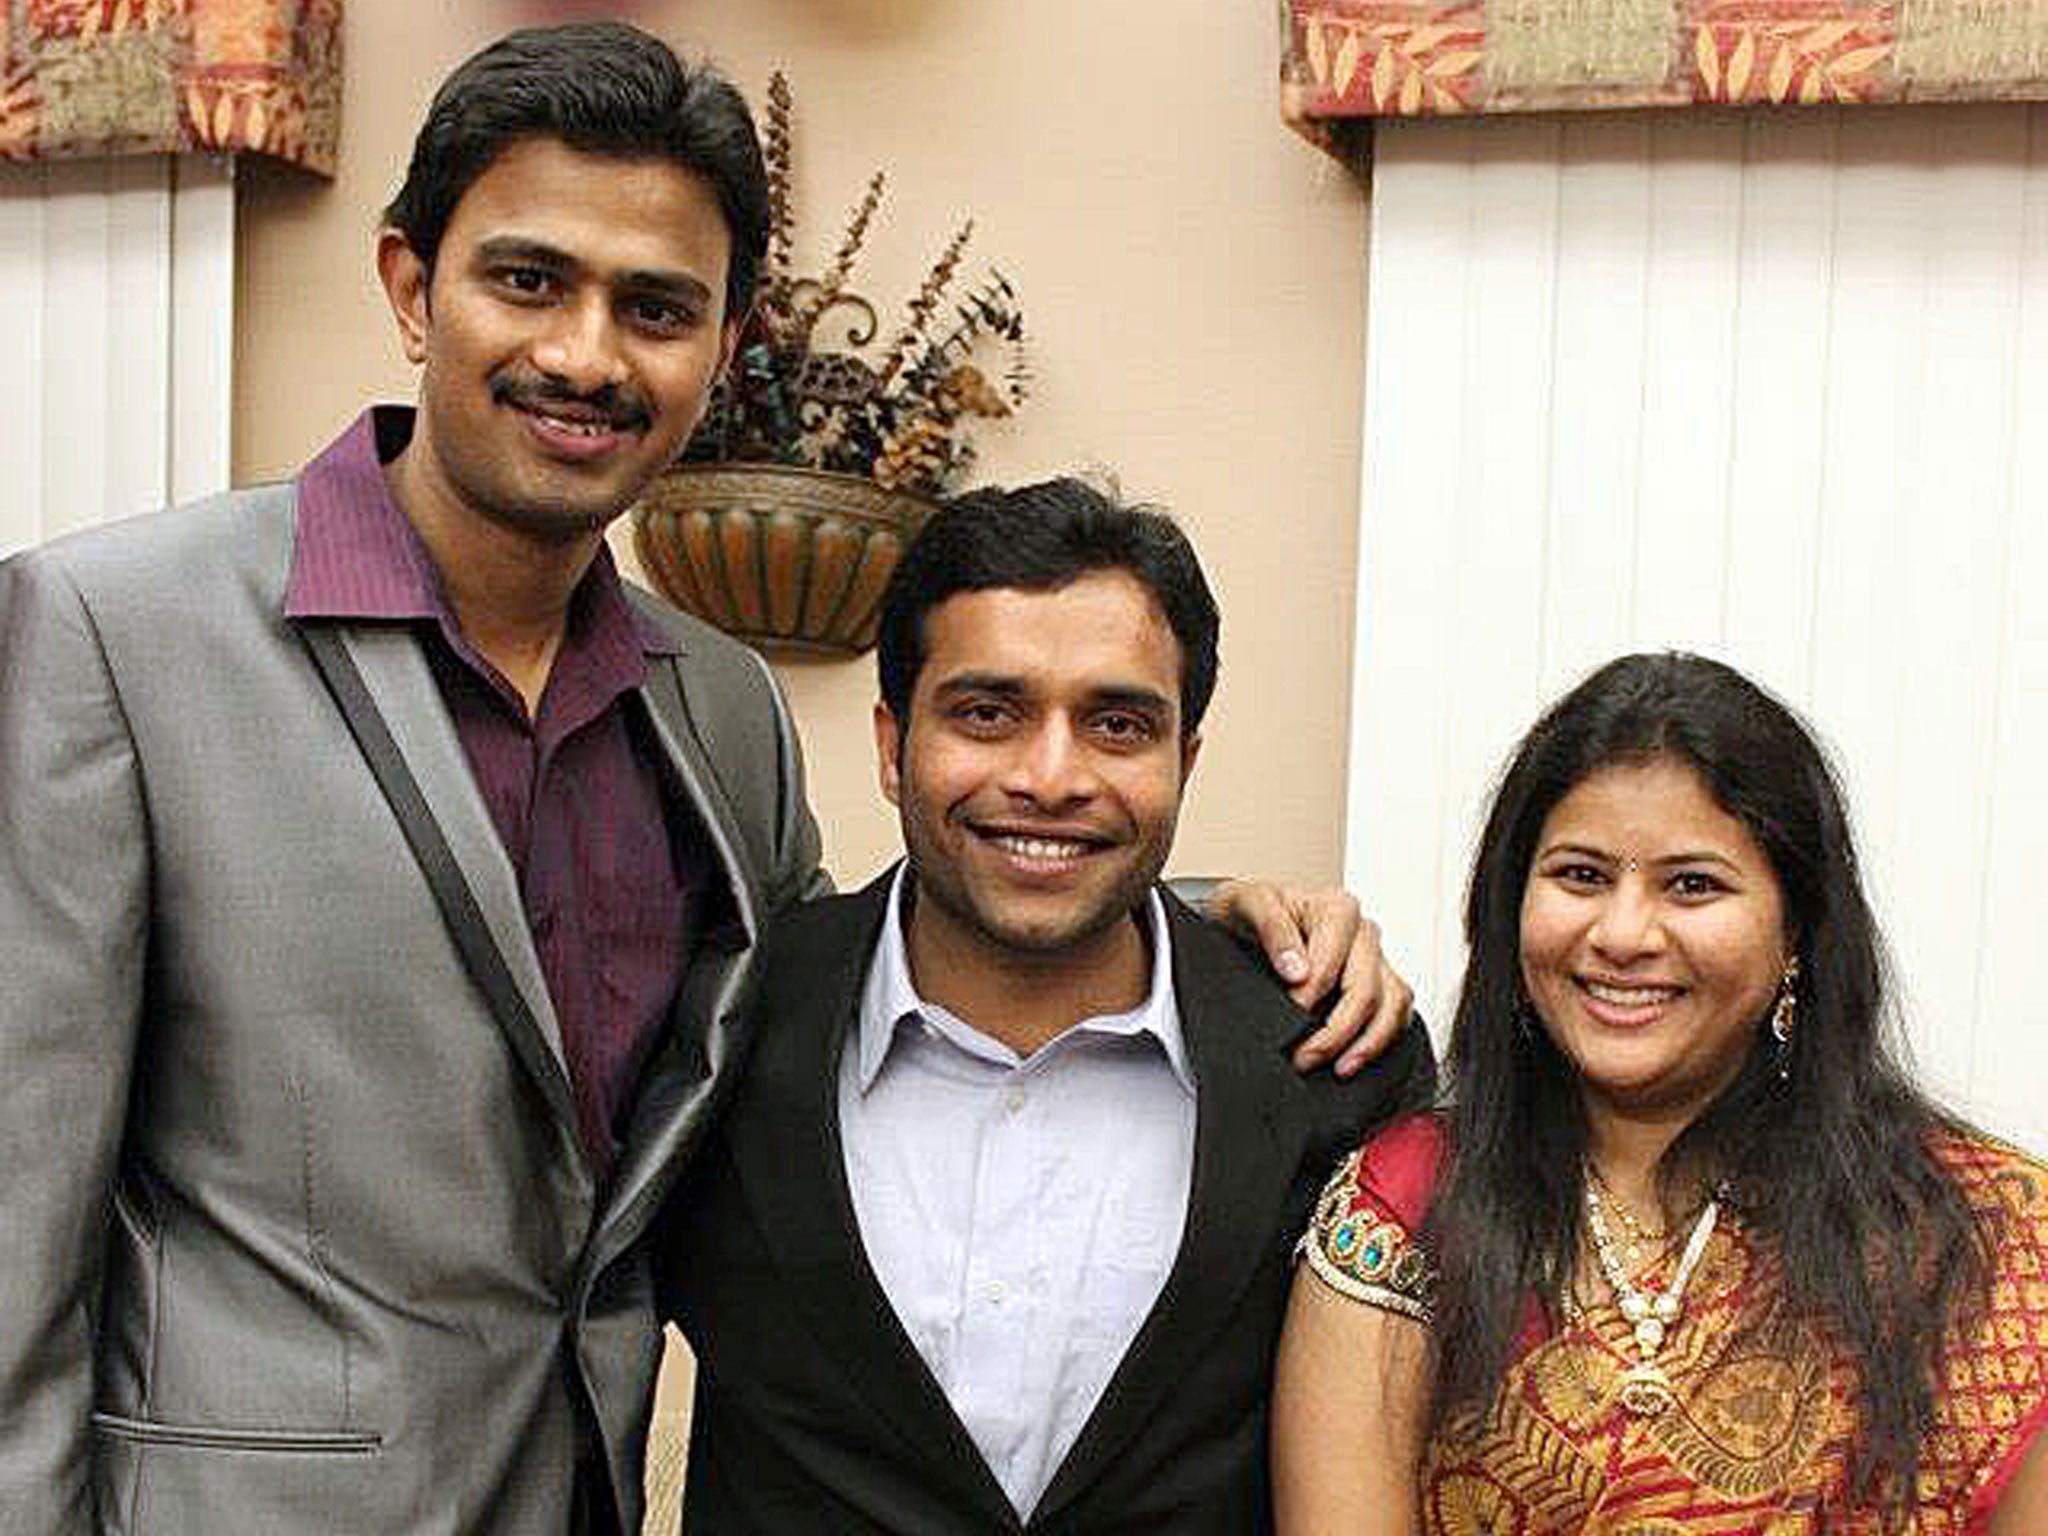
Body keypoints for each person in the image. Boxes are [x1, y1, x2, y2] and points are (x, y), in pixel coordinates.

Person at [0, 24, 1406, 1536]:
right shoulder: (112, 636)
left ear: (722, 350)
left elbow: (842, 979)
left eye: (656, 307)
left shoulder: (715, 703)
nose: (589, 356)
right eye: (530, 279)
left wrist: (1206, 915)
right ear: (412, 286)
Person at [661, 479, 1438, 1533]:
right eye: (988, 713)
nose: (1049, 774)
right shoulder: (724, 1022)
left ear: (1183, 761)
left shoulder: (1331, 1058)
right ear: (893, 747)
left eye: (1116, 724)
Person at [1272, 652, 2048, 1533]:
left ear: (1797, 929)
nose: (1624, 933)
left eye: (1693, 885)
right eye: (1581, 876)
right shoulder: (1404, 1208)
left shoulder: (1985, 1239)